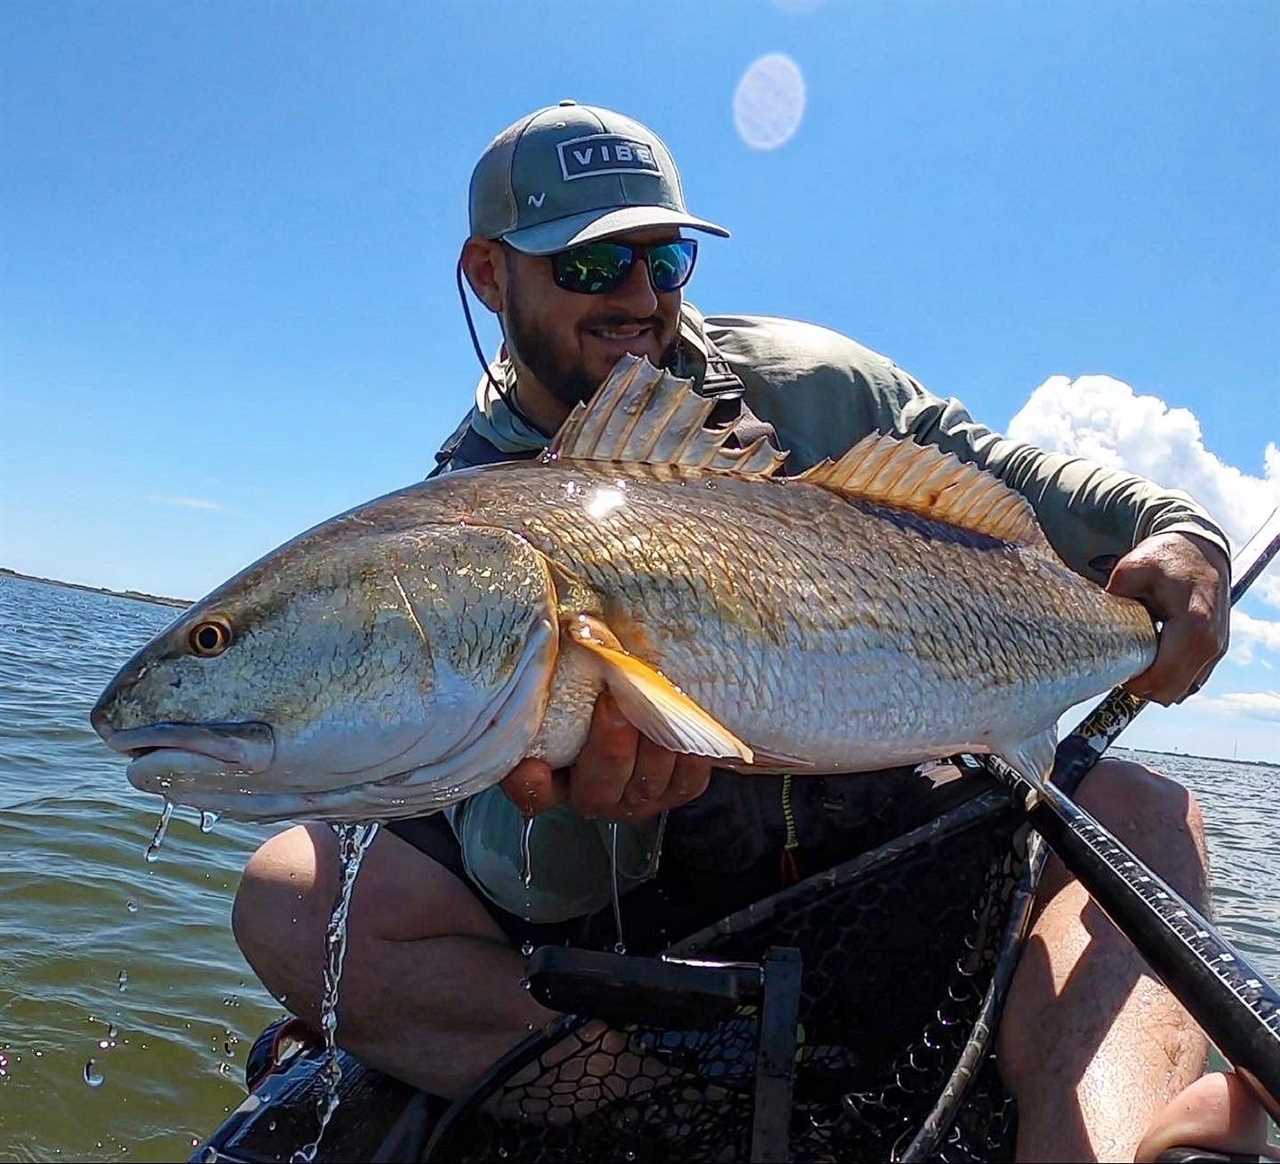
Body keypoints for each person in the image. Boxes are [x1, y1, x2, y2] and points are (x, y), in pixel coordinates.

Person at [231, 102, 1274, 1161]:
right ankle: (675, 1108)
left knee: (1147, 816)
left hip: (876, 819)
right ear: (489, 276)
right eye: (590, 267)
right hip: (642, 907)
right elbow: (520, 877)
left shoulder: (813, 380)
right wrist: (591, 812)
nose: (640, 298)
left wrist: (1178, 533)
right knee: (289, 898)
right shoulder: (461, 506)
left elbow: (1015, 476)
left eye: (666, 258)